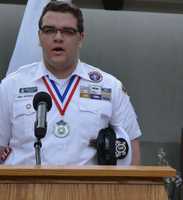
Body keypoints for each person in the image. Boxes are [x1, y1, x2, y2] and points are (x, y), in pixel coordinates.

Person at [0, 1, 142, 165]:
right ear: (39, 37)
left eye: (67, 31)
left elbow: (131, 149)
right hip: (25, 189)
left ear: (80, 38)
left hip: (89, 189)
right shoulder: (12, 85)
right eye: (49, 30)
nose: (58, 37)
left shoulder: (110, 87)